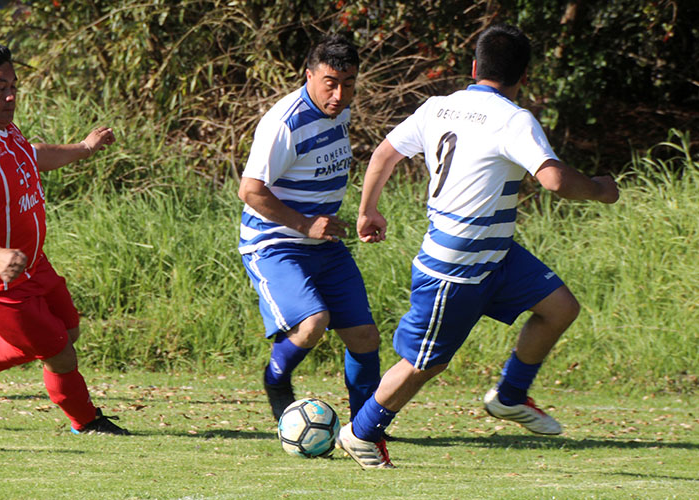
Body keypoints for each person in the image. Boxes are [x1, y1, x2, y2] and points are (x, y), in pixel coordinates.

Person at [338, 24, 619, 468]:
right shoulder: (513, 119)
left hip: (497, 255)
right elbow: (555, 180)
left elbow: (384, 155)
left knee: (560, 306)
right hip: (456, 266)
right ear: (523, 77)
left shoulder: (439, 107)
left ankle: (509, 396)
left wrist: (366, 210)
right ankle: (361, 431)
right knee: (423, 364)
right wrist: (603, 189)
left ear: (474, 67)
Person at [0, 42, 128, 435]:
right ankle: (87, 422)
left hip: (29, 262)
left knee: (67, 330)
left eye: (13, 85)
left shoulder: (5, 129)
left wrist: (84, 148)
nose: (10, 95)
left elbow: (32, 154)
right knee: (59, 351)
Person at [238, 34, 383, 424]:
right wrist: (304, 223)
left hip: (323, 243)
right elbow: (250, 191)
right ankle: (276, 380)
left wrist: (363, 214)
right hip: (274, 244)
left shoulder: (341, 111)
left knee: (366, 338)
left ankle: (366, 427)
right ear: (309, 76)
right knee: (312, 322)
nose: (338, 94)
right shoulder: (284, 123)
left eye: (348, 83)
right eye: (330, 83)